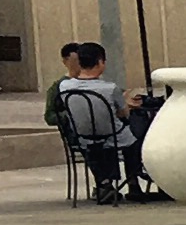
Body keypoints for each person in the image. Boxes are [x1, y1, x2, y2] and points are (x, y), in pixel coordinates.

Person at [53, 41, 140, 203]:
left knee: (98, 143)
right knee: (135, 140)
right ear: (100, 62)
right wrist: (126, 102)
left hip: (83, 138)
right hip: (112, 136)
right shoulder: (110, 88)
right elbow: (123, 113)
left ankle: (104, 183)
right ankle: (134, 184)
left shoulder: (64, 86)